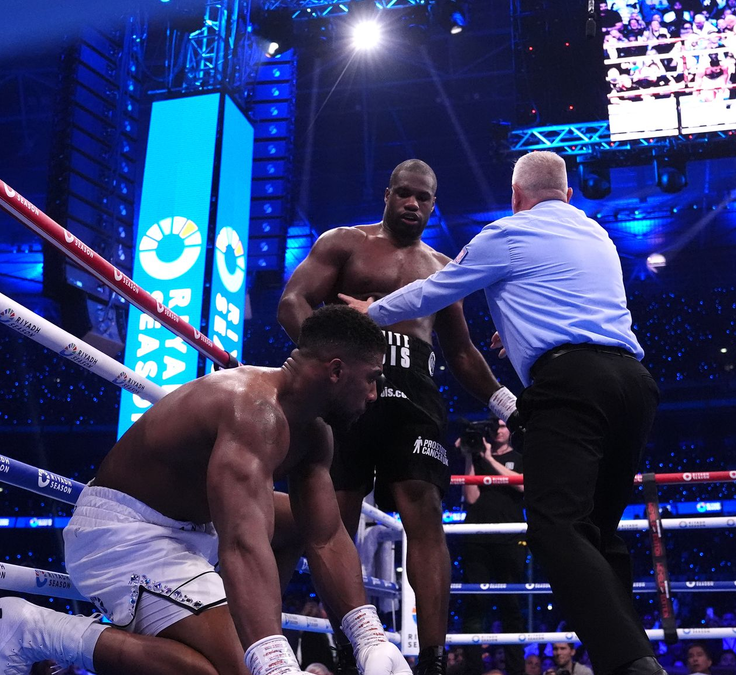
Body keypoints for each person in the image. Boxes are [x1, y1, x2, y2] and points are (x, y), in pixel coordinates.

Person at [340, 151, 661, 675]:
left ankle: (631, 664)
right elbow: (573, 305)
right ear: (569, 196)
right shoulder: (597, 235)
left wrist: (369, 312)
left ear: (516, 196)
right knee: (599, 536)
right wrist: (518, 336)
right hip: (634, 388)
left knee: (556, 529)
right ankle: (630, 657)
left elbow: (431, 291)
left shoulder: (507, 233)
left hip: (571, 388)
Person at [0, 306, 411, 675]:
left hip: (189, 533)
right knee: (233, 670)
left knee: (301, 521)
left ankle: (235, 628)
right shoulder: (252, 411)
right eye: (371, 379)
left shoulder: (316, 433)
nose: (374, 395)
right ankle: (34, 629)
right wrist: (272, 662)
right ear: (336, 370)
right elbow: (242, 543)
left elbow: (325, 535)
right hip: (123, 534)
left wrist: (368, 637)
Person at [278, 159, 518, 675]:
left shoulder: (442, 267)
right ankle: (350, 650)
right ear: (387, 194)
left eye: (423, 197)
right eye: (404, 193)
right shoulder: (344, 242)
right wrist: (330, 360)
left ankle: (432, 661)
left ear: (434, 204)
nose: (413, 203)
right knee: (333, 518)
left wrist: (506, 404)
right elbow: (292, 301)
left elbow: (461, 353)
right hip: (342, 394)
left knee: (425, 515)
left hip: (414, 396)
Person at [458, 418, 526, 675]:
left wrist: (490, 458)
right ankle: (473, 670)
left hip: (510, 539)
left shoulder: (519, 457)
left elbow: (521, 484)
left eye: (503, 425)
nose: (499, 429)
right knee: (475, 604)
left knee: (512, 606)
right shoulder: (477, 458)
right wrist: (470, 457)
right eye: (494, 425)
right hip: (477, 538)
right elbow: (471, 497)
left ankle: (516, 671)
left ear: (511, 430)